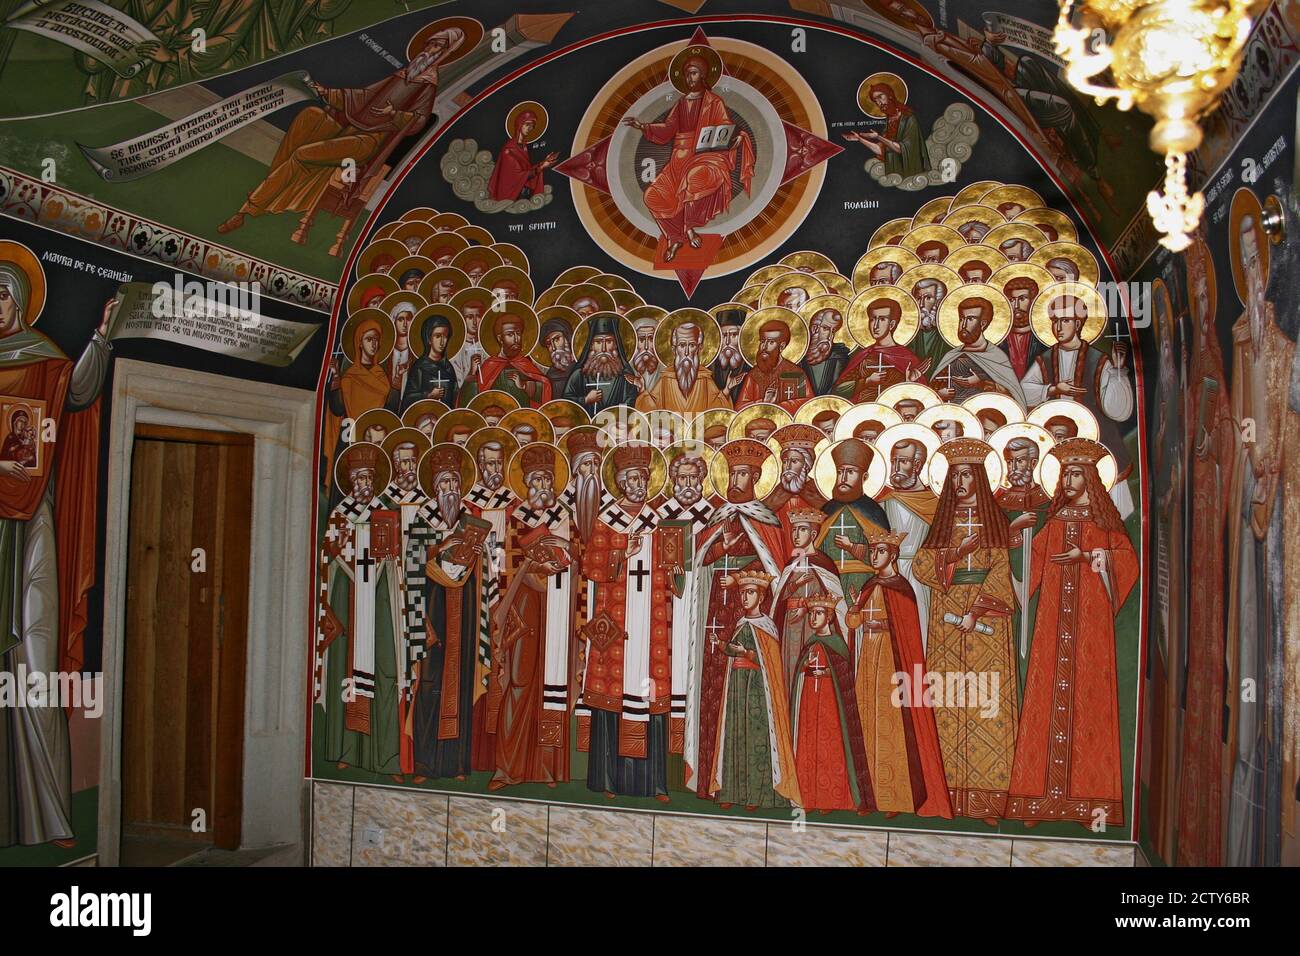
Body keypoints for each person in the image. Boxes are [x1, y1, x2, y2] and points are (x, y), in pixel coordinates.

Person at [218, 26, 466, 234]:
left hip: (368, 141)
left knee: (304, 154)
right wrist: (329, 93)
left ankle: (248, 209)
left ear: (445, 53)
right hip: (351, 126)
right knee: (309, 117)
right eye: (430, 44)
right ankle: (273, 186)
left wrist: (395, 115)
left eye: (436, 47)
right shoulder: (402, 74)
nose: (429, 50)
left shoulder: (427, 87)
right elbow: (363, 96)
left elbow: (419, 121)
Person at [1006, 439, 1137, 828]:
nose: (1069, 478)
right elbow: (1031, 566)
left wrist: (1090, 558)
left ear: (1091, 478)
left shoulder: (1104, 521)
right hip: (1052, 627)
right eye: (1066, 472)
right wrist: (1017, 538)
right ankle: (1035, 801)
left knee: (1090, 702)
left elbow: (1126, 561)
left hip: (1089, 626)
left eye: (1077, 472)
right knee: (1045, 699)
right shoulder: (1057, 520)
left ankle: (1089, 803)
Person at [622, 51, 755, 262]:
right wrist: (642, 126)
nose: (689, 78)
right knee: (652, 197)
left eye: (693, 73)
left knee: (694, 178)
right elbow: (667, 129)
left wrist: (736, 136)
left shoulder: (714, 101)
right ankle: (675, 237)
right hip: (679, 158)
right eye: (687, 74)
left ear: (702, 75)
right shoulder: (682, 103)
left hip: (705, 155)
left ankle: (690, 227)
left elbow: (724, 126)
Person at [487, 109, 558, 201]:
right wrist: (541, 167)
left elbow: (526, 172)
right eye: (527, 125)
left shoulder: (523, 148)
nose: (530, 128)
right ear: (519, 124)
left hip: (521, 193)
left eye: (532, 126)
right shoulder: (509, 150)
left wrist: (544, 163)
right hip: (509, 194)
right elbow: (518, 176)